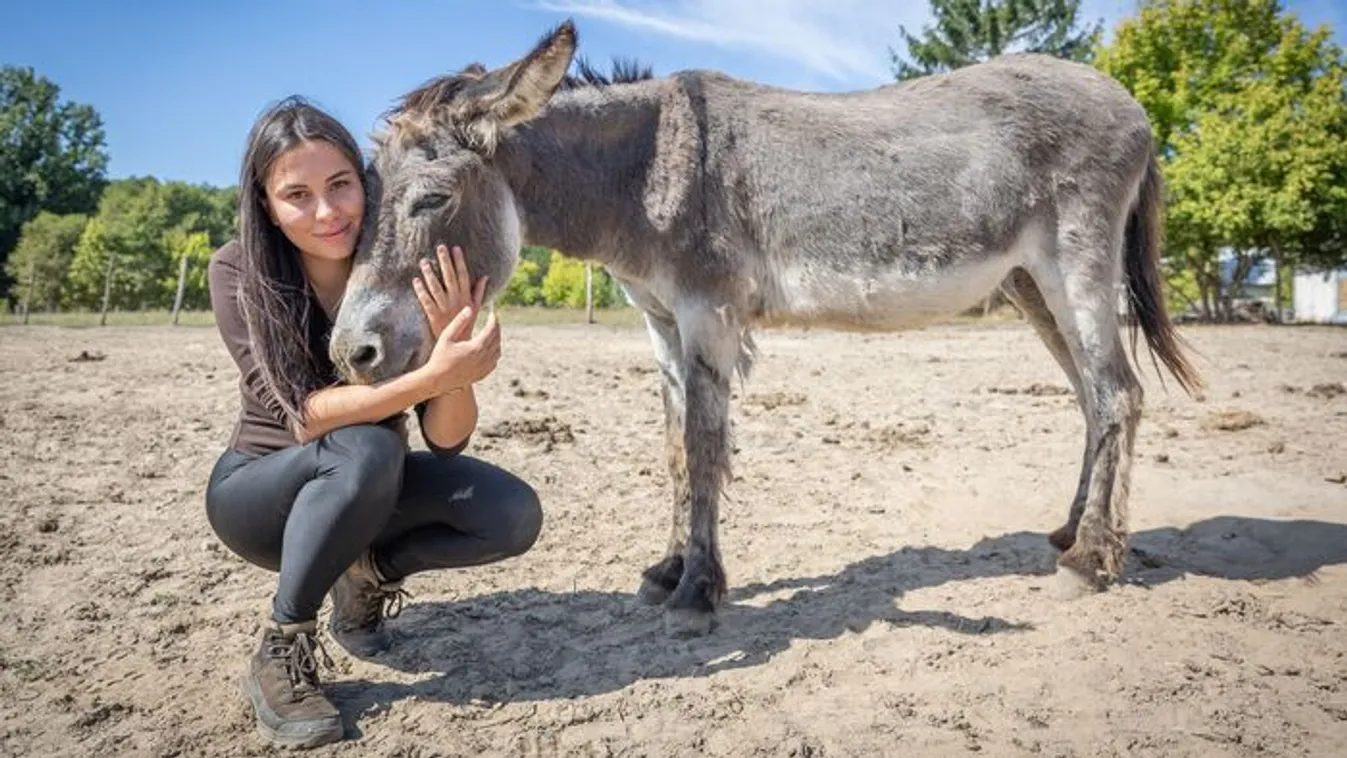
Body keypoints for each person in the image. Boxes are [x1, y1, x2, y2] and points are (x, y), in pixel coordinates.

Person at [204, 96, 543, 750]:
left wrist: (455, 355)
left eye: (340, 184)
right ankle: (283, 647)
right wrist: (431, 376)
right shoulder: (239, 269)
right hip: (260, 498)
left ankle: (364, 577)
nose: (326, 211)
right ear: (266, 204)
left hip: (369, 488)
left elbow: (445, 439)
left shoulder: (400, 263)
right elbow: (303, 418)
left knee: (510, 513)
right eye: (297, 195)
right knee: (362, 446)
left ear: (367, 182)